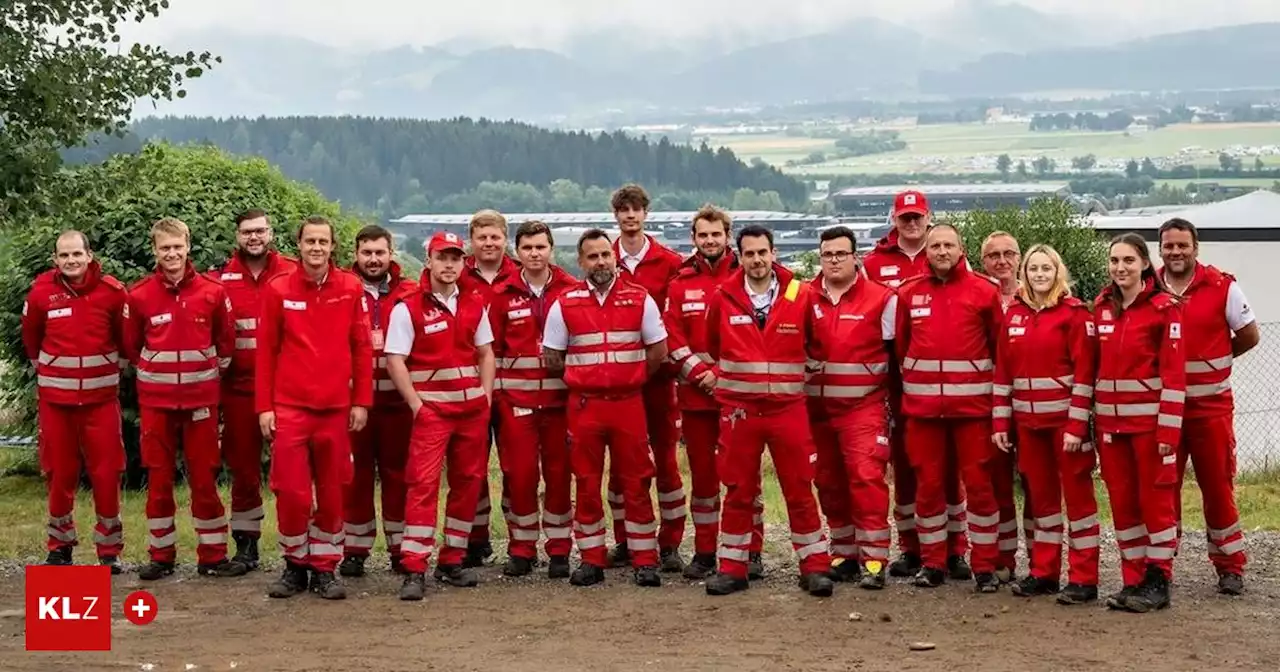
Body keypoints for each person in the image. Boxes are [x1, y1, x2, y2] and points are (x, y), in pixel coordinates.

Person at [703, 225, 835, 598]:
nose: (757, 260)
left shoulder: (802, 294)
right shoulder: (723, 296)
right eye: (749, 254)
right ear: (738, 256)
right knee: (739, 490)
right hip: (739, 412)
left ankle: (814, 567)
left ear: (773, 253)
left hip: (787, 410)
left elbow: (819, 345)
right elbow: (712, 345)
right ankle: (732, 568)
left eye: (763, 252)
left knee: (799, 487)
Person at [541, 228, 668, 588]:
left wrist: (631, 376)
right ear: (581, 262)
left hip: (629, 404)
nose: (601, 262)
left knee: (638, 481)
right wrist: (587, 377)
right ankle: (592, 559)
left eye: (605, 255)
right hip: (585, 406)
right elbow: (552, 357)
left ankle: (645, 560)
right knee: (586, 482)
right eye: (592, 256)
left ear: (614, 257)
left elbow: (658, 350)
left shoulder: (640, 298)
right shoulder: (564, 303)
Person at [257, 216, 373, 600]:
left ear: (333, 246)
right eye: (310, 241)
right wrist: (264, 407)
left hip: (336, 408)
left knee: (334, 491)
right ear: (299, 245)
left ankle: (325, 568)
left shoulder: (350, 287)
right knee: (291, 492)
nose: (317, 248)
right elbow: (266, 352)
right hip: (290, 408)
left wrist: (362, 401)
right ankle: (295, 565)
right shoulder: (277, 289)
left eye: (323, 241)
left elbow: (361, 347)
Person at [124, 217, 246, 580]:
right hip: (156, 406)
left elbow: (226, 345)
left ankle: (212, 556)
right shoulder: (139, 294)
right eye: (165, 248)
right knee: (159, 481)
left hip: (200, 404)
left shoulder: (213, 292)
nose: (172, 254)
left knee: (205, 479)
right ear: (155, 250)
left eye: (177, 246)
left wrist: (205, 377)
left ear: (188, 245)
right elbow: (132, 348)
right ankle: (161, 556)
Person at [862, 189, 969, 579]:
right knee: (906, 468)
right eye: (904, 217)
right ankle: (910, 547)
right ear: (894, 218)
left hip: (940, 381)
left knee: (949, 469)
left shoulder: (948, 256)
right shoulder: (873, 262)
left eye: (917, 217)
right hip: (891, 377)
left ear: (928, 218)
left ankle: (955, 549)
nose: (910, 224)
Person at [894, 223, 1004, 592]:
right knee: (927, 489)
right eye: (935, 245)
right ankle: (933, 563)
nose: (942, 251)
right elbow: (902, 350)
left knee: (980, 488)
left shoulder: (984, 292)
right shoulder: (909, 294)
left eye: (948, 245)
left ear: (961, 250)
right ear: (926, 251)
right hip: (923, 414)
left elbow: (998, 348)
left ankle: (985, 567)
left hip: (973, 412)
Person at [388, 231, 497, 600]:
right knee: (422, 486)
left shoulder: (473, 303)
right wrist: (417, 405)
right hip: (433, 412)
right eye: (442, 257)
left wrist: (484, 395)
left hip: (471, 413)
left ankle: (452, 560)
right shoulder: (408, 306)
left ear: (463, 262)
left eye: (455, 258)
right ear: (429, 260)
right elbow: (395, 360)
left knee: (468, 482)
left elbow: (485, 353)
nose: (449, 264)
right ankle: (414, 567)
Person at [992, 244, 1100, 605]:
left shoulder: (1075, 314)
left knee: (1080, 502)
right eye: (1033, 268)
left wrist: (1076, 424)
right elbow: (1003, 373)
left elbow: (1085, 375)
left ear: (1058, 272)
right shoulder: (1014, 315)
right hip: (1027, 426)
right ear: (1025, 273)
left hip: (1065, 427)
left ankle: (1084, 578)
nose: (1039, 275)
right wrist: (1000, 421)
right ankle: (1044, 572)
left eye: (1046, 268)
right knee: (1042, 502)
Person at [1157, 218, 1259, 596]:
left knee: (1217, 485)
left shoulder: (1223, 287)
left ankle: (1230, 565)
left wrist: (1220, 359)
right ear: (1160, 249)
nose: (1176, 252)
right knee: (1163, 488)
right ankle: (1161, 566)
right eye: (1169, 246)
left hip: (1210, 407)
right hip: (1164, 410)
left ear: (1195, 247)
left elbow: (1249, 335)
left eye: (1183, 245)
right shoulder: (1149, 288)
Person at [663, 205, 763, 581]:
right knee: (704, 482)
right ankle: (705, 552)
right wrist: (701, 373)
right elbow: (673, 336)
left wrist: (722, 373)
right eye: (702, 235)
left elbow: (757, 335)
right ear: (694, 239)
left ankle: (750, 552)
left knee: (743, 478)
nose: (709, 241)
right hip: (696, 398)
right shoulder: (679, 283)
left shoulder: (749, 276)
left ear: (727, 236)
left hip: (740, 397)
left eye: (716, 234)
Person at [23, 231, 127, 573]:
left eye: (76, 254)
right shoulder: (41, 294)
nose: (71, 261)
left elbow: (125, 342)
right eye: (64, 255)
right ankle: (59, 547)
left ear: (89, 255)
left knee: (107, 473)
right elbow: (32, 341)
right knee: (59, 474)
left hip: (101, 402)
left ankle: (109, 552)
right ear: (55, 259)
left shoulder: (112, 293)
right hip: (57, 404)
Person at [1093, 233, 1186, 613]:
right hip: (1111, 431)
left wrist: (1168, 432)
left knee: (1156, 505)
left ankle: (1158, 579)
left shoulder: (1165, 309)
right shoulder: (1100, 307)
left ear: (1145, 263)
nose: (1120, 268)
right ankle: (1133, 581)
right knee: (1124, 505)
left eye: (1128, 260)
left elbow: (1175, 376)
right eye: (1115, 261)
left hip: (1150, 430)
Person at [806, 226, 897, 590]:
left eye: (841, 254)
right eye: (828, 254)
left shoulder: (881, 298)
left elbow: (896, 354)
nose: (834, 260)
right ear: (820, 258)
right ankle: (843, 553)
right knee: (827, 481)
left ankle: (874, 559)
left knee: (865, 478)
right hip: (817, 410)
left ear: (856, 256)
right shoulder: (803, 296)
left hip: (863, 407)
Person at [207, 208, 298, 570]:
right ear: (237, 236)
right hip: (240, 389)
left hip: (288, 390)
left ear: (271, 233)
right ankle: (246, 546)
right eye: (247, 232)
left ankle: (300, 548)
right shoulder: (218, 278)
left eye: (260, 231)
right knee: (243, 471)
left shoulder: (293, 270)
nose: (254, 238)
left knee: (292, 473)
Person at [488, 221, 577, 579]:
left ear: (551, 249)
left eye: (541, 247)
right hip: (516, 404)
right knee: (520, 476)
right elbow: (490, 351)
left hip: (560, 403)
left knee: (559, 476)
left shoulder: (571, 290)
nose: (535, 253)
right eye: (527, 248)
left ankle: (558, 550)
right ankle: (521, 549)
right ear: (517, 251)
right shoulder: (502, 294)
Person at [607, 184, 688, 572]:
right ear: (615, 216)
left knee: (667, 463)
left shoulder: (670, 262)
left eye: (636, 209)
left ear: (646, 213)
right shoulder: (603, 259)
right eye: (623, 210)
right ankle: (626, 540)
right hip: (619, 383)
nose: (630, 215)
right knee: (624, 466)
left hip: (658, 380)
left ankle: (670, 543)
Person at [340, 225, 419, 578]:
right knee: (352, 477)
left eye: (379, 253)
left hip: (397, 404)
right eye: (367, 253)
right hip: (353, 404)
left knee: (399, 477)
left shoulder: (411, 291)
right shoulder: (341, 289)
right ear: (355, 254)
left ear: (391, 254)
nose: (373, 259)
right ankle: (354, 549)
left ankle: (400, 549)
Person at [457, 209, 520, 568]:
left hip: (512, 391)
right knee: (471, 468)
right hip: (469, 388)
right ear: (471, 241)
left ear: (505, 239)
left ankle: (518, 541)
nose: (488, 243)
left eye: (495, 237)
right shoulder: (457, 274)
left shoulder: (520, 275)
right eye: (482, 237)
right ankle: (474, 539)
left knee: (515, 468)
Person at [980, 230, 1030, 580]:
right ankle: (1004, 559)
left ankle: (1043, 563)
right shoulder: (977, 296)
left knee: (1036, 486)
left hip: (1033, 405)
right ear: (983, 262)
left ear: (1019, 257)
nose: (1001, 261)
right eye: (993, 255)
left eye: (1008, 253)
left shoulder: (1039, 293)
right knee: (996, 485)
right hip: (989, 405)